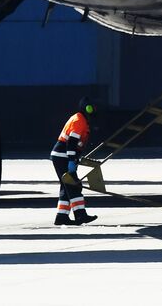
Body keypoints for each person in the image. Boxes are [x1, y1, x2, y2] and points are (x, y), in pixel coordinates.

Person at [50, 96, 99, 225]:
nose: (94, 109)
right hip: (62, 156)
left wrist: (75, 159)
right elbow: (71, 144)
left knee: (66, 186)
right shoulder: (79, 120)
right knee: (73, 185)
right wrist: (71, 160)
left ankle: (61, 217)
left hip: (62, 156)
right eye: (92, 107)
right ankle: (80, 215)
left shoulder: (81, 120)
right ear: (87, 108)